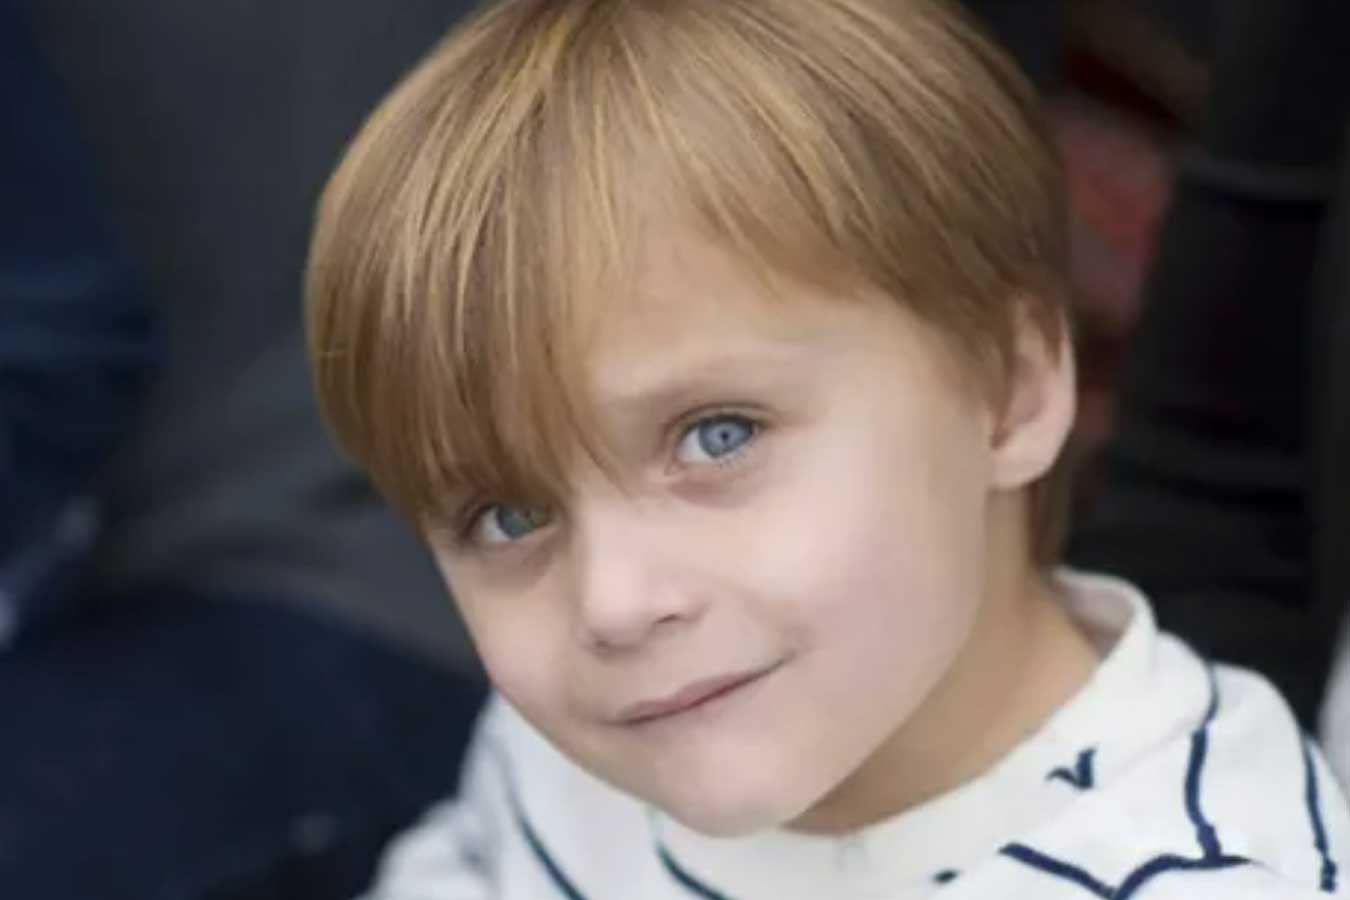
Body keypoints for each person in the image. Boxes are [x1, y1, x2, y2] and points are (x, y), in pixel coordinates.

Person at [304, 0, 1349, 896]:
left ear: (1010, 386)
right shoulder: (608, 732)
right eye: (511, 515)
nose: (613, 603)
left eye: (718, 437)